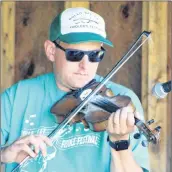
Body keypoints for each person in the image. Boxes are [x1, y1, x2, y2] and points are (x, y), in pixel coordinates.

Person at [1, 7, 150, 172]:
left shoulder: (123, 100)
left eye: (95, 55)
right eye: (74, 54)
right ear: (51, 51)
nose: (85, 66)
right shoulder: (16, 98)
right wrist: (4, 154)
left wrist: (120, 142)